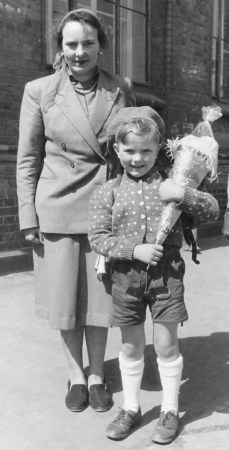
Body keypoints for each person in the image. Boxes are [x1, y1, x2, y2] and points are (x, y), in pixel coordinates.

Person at [16, 8, 135, 414]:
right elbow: (27, 158)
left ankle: (98, 375)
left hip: (104, 210)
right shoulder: (40, 91)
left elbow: (130, 149)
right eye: (71, 44)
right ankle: (76, 376)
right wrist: (27, 217)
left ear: (101, 46)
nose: (79, 52)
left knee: (100, 301)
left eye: (87, 43)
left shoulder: (120, 88)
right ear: (61, 48)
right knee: (66, 300)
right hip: (57, 208)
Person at [88, 106, 219, 443]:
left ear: (159, 148)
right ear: (118, 151)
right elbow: (98, 237)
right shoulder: (108, 192)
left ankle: (170, 409)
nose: (137, 158)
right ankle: (130, 407)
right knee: (132, 346)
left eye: (146, 150)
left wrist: (184, 194)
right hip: (125, 278)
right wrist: (134, 250)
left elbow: (211, 209)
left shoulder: (172, 184)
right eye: (129, 150)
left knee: (165, 343)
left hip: (166, 278)